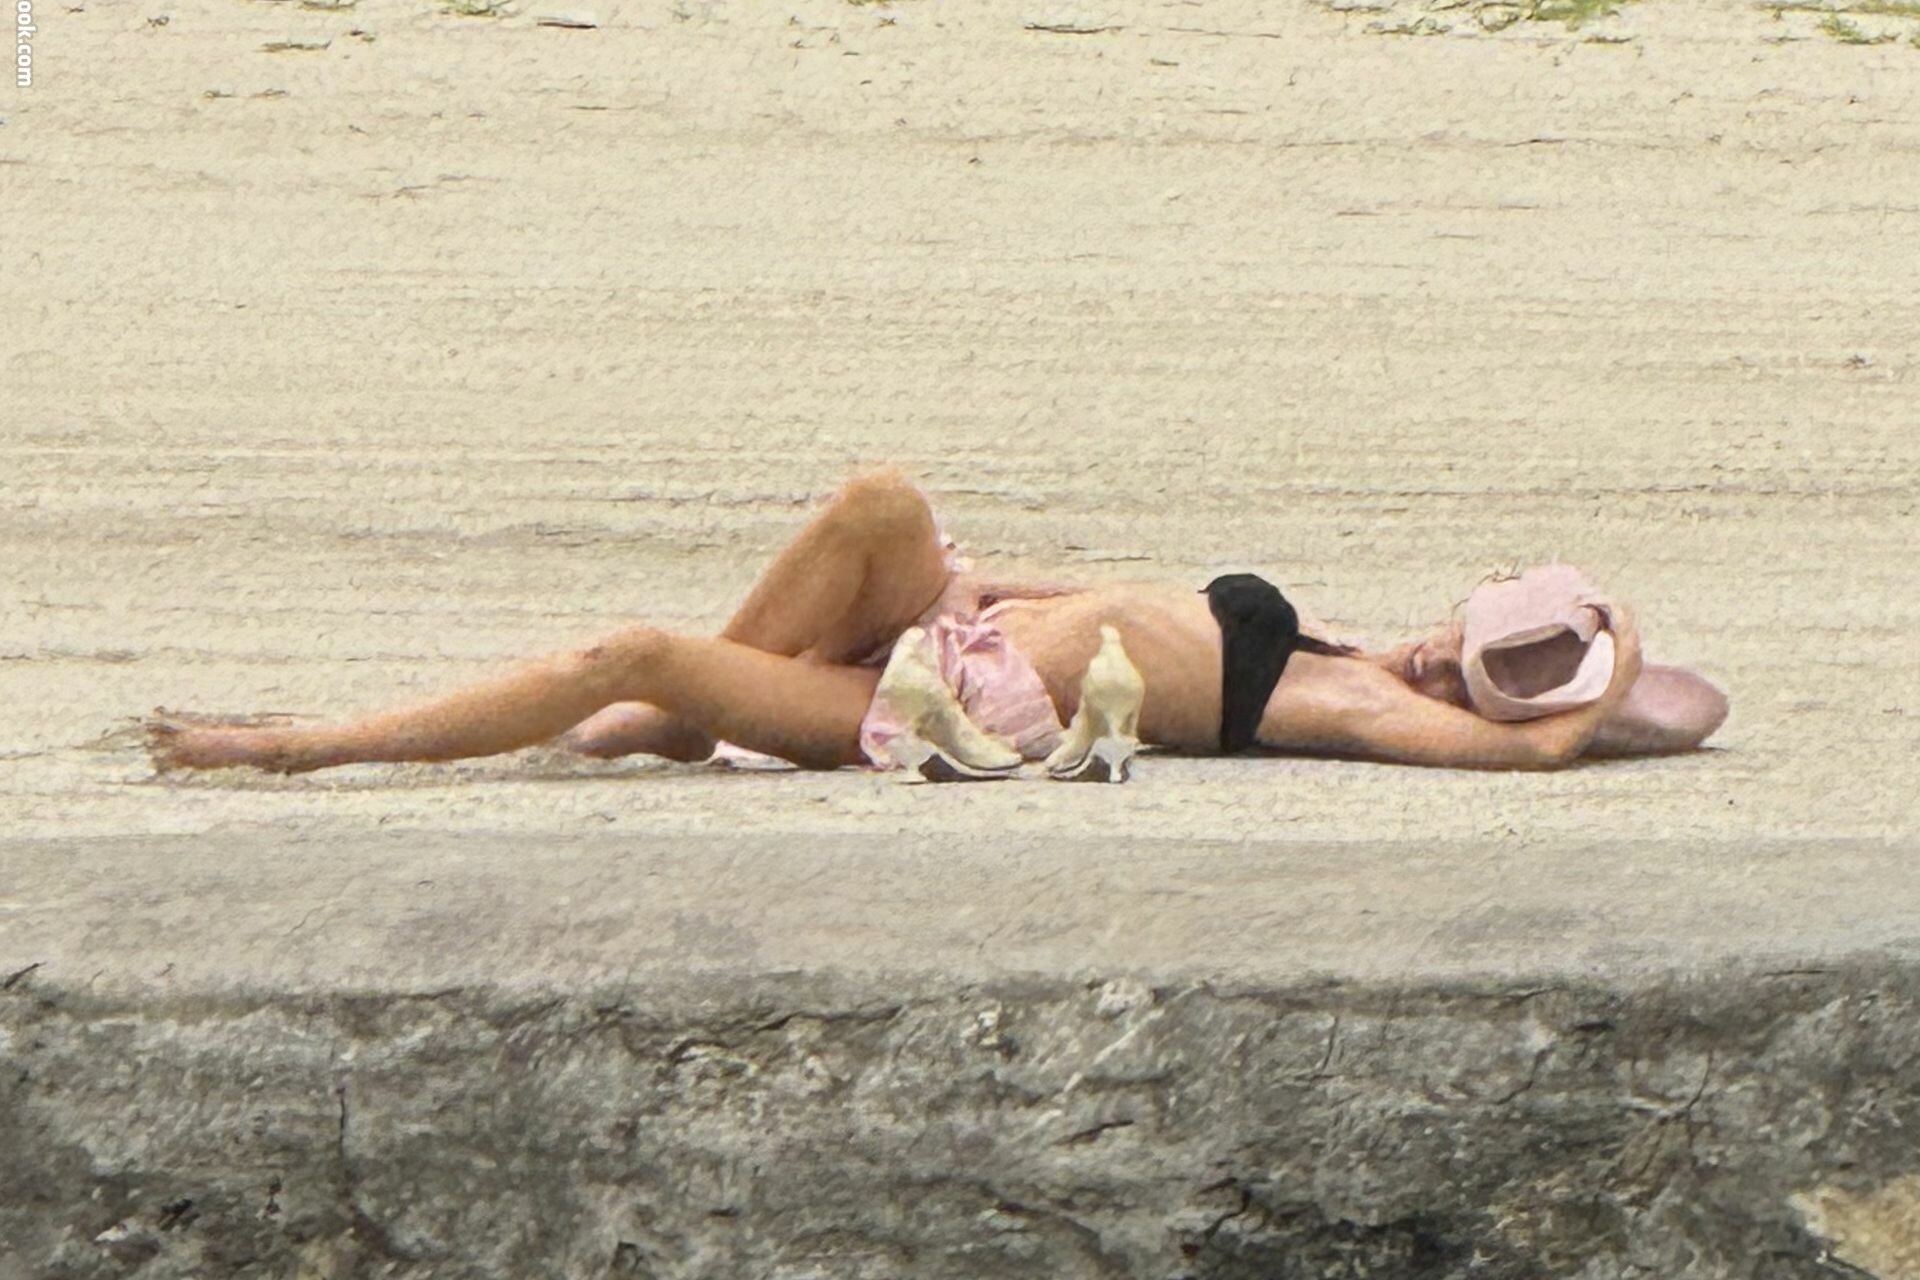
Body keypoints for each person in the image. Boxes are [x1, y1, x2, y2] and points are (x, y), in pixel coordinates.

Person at [146, 469, 1727, 777]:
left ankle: (294, 747)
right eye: (1467, 632)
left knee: (623, 655)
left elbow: (1540, 759)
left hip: (933, 712)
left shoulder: (1354, 710)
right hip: (960, 634)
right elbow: (1116, 611)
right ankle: (697, 714)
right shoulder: (1340, 646)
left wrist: (1616, 667)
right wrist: (996, 585)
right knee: (879, 504)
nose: (1440, 660)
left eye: (1474, 677)